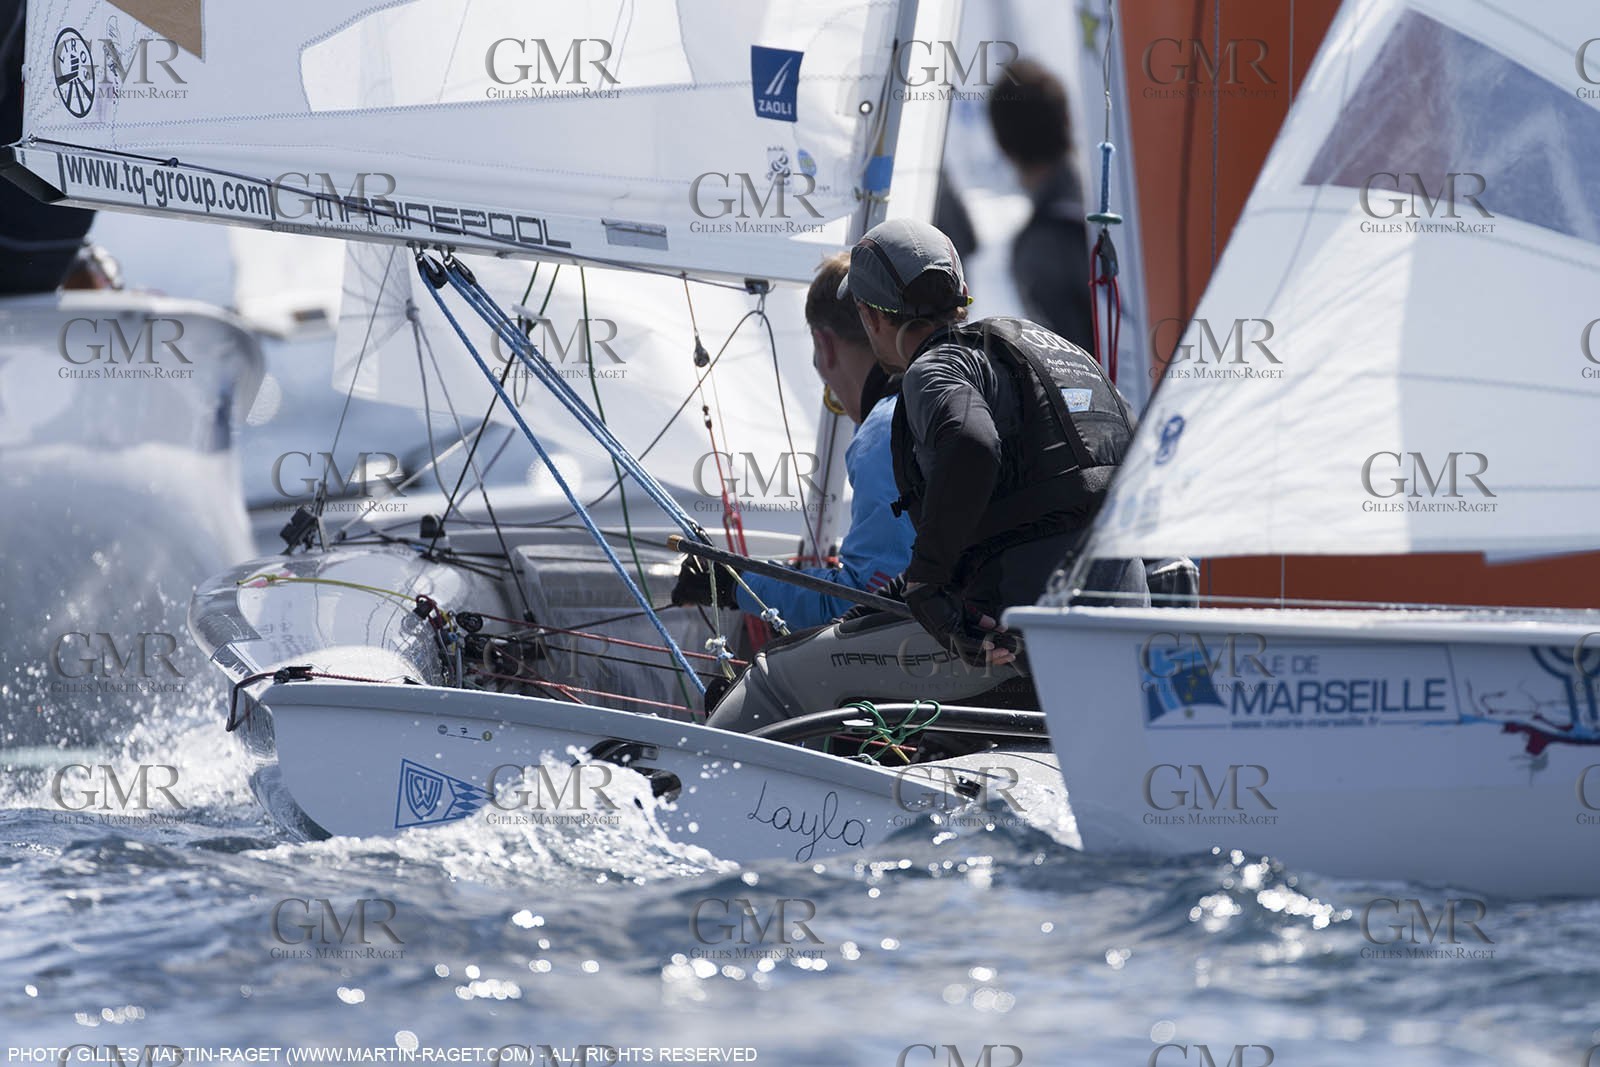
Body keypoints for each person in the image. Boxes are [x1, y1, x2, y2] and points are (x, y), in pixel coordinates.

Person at [705, 217, 1145, 735]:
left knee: (775, 678)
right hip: (1122, 634)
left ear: (870, 318)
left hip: (1018, 644)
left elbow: (970, 443)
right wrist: (911, 587)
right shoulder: (1050, 352)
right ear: (961, 293)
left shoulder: (935, 368)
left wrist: (930, 584)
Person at [670, 253, 915, 629]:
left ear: (825, 345)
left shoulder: (887, 431)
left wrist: (734, 583)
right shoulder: (941, 404)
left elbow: (867, 608)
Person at [987, 58, 1094, 351]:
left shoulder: (1038, 249)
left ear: (1004, 146)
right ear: (1067, 120)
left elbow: (1074, 373)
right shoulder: (1117, 199)